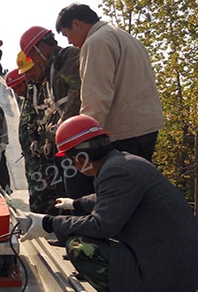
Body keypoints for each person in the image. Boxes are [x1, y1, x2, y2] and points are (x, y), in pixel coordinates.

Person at [19, 115, 198, 292]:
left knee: (80, 247)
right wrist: (74, 204)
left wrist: (48, 224)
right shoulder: (124, 162)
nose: (73, 165)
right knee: (87, 235)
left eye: (71, 158)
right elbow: (108, 198)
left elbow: (102, 226)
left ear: (82, 156)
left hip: (170, 273)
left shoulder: (116, 171)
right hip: (175, 266)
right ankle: (142, 290)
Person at [55, 4, 164, 161]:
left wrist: (84, 136)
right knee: (141, 180)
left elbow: (96, 97)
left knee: (119, 182)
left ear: (76, 24)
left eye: (67, 35)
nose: (70, 42)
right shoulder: (126, 37)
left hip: (123, 131)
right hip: (147, 126)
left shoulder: (95, 42)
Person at [20, 25, 95, 202]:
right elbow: (50, 110)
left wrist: (62, 128)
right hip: (63, 141)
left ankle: (83, 226)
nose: (36, 61)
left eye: (34, 55)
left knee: (78, 191)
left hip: (77, 138)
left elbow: (75, 94)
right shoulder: (51, 70)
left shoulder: (68, 58)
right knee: (64, 190)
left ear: (42, 47)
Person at [16, 51, 58, 215]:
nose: (28, 75)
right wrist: (33, 139)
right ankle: (42, 217)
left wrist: (50, 140)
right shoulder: (34, 89)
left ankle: (57, 219)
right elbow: (33, 118)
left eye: (30, 71)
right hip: (39, 147)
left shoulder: (52, 83)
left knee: (54, 184)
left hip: (54, 142)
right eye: (25, 73)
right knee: (41, 185)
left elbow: (55, 112)